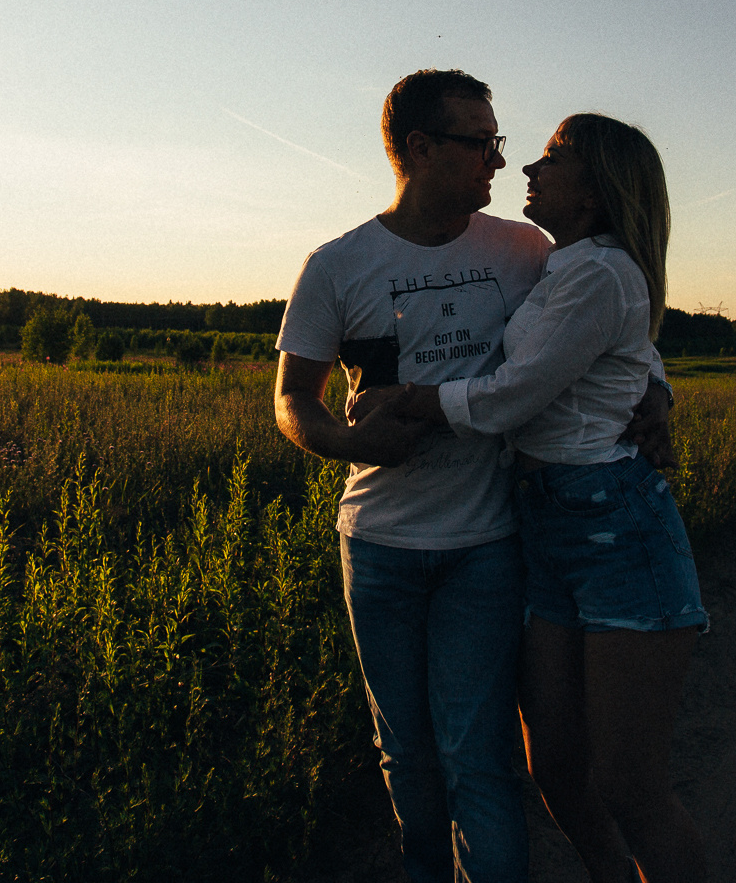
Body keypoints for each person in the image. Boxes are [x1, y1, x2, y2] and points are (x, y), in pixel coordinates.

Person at [273, 71, 671, 883]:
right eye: (479, 142)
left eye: (499, 140)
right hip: (378, 547)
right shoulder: (337, 265)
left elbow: (605, 322)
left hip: (488, 545)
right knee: (407, 757)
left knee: (480, 757)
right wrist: (350, 448)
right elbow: (291, 401)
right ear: (419, 148)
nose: (500, 158)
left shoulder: (523, 250)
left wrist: (657, 386)